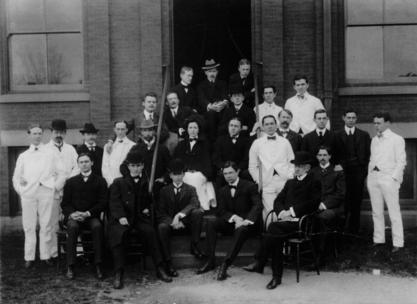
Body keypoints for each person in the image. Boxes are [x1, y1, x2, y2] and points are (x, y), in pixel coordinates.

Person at [244, 151, 321, 289]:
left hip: (301, 223)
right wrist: (281, 213)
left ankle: (260, 261)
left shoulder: (314, 182)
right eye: (295, 165)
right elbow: (278, 200)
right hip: (284, 223)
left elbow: (313, 204)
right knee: (276, 236)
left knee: (273, 228)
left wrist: (291, 211)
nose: (296, 168)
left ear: (307, 168)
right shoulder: (290, 182)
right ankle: (276, 276)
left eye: (300, 166)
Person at [108, 151, 172, 289]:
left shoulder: (147, 183)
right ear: (128, 166)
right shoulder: (119, 182)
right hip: (123, 219)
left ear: (142, 166)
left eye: (138, 165)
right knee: (119, 235)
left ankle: (160, 268)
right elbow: (114, 202)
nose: (135, 168)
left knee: (151, 233)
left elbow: (153, 202)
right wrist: (121, 216)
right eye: (133, 165)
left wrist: (149, 209)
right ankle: (118, 272)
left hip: (140, 218)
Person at [197, 162, 262, 280]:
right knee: (211, 223)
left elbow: (257, 205)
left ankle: (225, 264)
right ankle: (210, 260)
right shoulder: (222, 190)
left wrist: (246, 220)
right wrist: (235, 218)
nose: (228, 176)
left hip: (248, 225)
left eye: (231, 172)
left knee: (241, 229)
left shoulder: (250, 186)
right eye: (225, 173)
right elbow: (220, 211)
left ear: (237, 172)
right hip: (232, 222)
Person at [12, 124, 65, 268]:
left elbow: (62, 173)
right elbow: (16, 178)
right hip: (29, 194)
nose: (37, 136)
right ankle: (29, 256)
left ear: (43, 135)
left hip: (46, 192)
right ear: (29, 135)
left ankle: (46, 255)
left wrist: (55, 188)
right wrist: (22, 191)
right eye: (34, 133)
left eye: (39, 133)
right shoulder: (23, 156)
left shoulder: (50, 153)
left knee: (46, 224)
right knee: (29, 226)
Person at [61, 153, 107, 280]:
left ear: (92, 163)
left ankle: (98, 264)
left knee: (97, 227)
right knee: (72, 227)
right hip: (75, 217)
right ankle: (70, 265)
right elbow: (65, 203)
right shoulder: (71, 182)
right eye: (81, 162)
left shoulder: (100, 181)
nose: (84, 164)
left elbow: (103, 202)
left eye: (86, 161)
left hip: (91, 216)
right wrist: (72, 214)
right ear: (78, 164)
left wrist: (88, 213)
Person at [156, 159, 205, 273]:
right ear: (170, 175)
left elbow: (194, 203)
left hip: (186, 224)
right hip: (170, 224)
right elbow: (161, 212)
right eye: (175, 174)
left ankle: (195, 245)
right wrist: (172, 222)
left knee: (197, 212)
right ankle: (168, 262)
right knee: (161, 227)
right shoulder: (164, 190)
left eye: (180, 174)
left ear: (183, 174)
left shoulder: (190, 189)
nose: (177, 177)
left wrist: (180, 216)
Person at [367, 112, 406, 253]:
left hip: (388, 179)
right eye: (375, 123)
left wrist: (394, 179)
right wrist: (370, 175)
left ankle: (398, 242)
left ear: (387, 123)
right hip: (374, 178)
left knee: (393, 211)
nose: (376, 126)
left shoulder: (397, 139)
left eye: (379, 123)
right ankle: (378, 239)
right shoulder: (374, 140)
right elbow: (372, 159)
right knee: (376, 211)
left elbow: (401, 161)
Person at [44, 119, 79, 260]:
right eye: (56, 132)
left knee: (71, 219)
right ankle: (53, 252)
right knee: (52, 222)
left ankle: (74, 250)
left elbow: (77, 167)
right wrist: (56, 184)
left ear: (65, 133)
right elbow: (44, 172)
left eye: (61, 132)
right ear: (51, 132)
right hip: (52, 191)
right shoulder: (45, 150)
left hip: (69, 191)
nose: (58, 135)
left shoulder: (70, 149)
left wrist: (67, 180)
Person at [249, 115, 294, 220]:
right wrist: (259, 181)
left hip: (284, 180)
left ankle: (284, 233)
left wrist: (290, 176)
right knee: (270, 210)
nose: (269, 126)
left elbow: (292, 161)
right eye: (266, 124)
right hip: (267, 181)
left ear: (276, 125)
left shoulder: (285, 142)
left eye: (272, 123)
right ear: (263, 127)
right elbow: (252, 166)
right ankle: (270, 233)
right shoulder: (257, 143)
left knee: (285, 209)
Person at [335, 109, 371, 234]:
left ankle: (354, 231)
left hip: (358, 175)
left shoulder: (364, 135)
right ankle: (341, 231)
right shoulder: (336, 135)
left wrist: (363, 172)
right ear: (343, 118)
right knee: (343, 203)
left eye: (353, 118)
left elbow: (367, 155)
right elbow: (334, 155)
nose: (351, 120)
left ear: (356, 119)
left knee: (356, 203)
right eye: (348, 117)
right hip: (343, 174)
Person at [311, 146, 345, 263]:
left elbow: (341, 194)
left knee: (322, 218)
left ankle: (320, 256)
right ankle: (309, 253)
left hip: (333, 207)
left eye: (325, 155)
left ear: (329, 156)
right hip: (315, 206)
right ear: (316, 157)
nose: (322, 158)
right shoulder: (313, 172)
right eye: (320, 155)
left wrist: (324, 205)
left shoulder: (337, 171)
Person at [173, 117, 215, 211]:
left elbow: (207, 160)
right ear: (187, 130)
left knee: (196, 180)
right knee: (184, 180)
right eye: (190, 127)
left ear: (198, 129)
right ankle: (184, 208)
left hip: (200, 172)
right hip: (185, 173)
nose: (192, 130)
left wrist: (203, 172)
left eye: (195, 128)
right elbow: (177, 161)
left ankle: (200, 206)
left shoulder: (205, 144)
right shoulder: (181, 145)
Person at [122, 119, 171, 196]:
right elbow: (123, 167)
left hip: (159, 189)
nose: (147, 133)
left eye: (150, 130)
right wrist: (134, 178)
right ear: (141, 132)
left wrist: (164, 178)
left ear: (154, 131)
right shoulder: (136, 148)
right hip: (141, 190)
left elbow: (170, 168)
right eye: (145, 130)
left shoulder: (162, 149)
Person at [213, 117, 251, 185]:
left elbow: (246, 158)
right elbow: (216, 157)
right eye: (231, 125)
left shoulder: (246, 141)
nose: (233, 128)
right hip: (225, 169)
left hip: (239, 170)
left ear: (241, 128)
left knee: (246, 175)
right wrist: (224, 168)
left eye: (236, 126)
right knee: (219, 176)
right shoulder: (220, 140)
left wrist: (238, 169)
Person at [197, 59, 228, 141]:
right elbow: (201, 99)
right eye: (210, 72)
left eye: (214, 71)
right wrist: (211, 106)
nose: (212, 74)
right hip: (209, 112)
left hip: (222, 109)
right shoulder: (201, 86)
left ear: (217, 72)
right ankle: (212, 140)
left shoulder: (222, 84)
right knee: (211, 115)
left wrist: (222, 104)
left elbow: (225, 97)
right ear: (206, 73)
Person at [102, 120, 135, 186]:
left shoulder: (133, 145)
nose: (120, 132)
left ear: (126, 130)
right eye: (118, 129)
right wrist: (111, 182)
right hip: (111, 182)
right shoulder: (108, 146)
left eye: (122, 129)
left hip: (128, 182)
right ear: (114, 130)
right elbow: (105, 166)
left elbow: (133, 166)